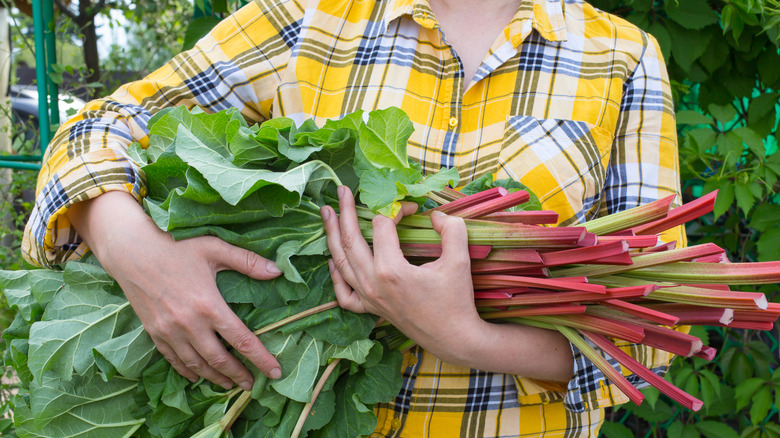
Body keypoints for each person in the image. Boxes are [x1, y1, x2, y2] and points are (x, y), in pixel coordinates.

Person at [22, 0, 686, 435]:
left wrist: (465, 339)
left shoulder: (622, 58)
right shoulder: (311, 17)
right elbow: (104, 124)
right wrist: (140, 256)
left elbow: (648, 338)